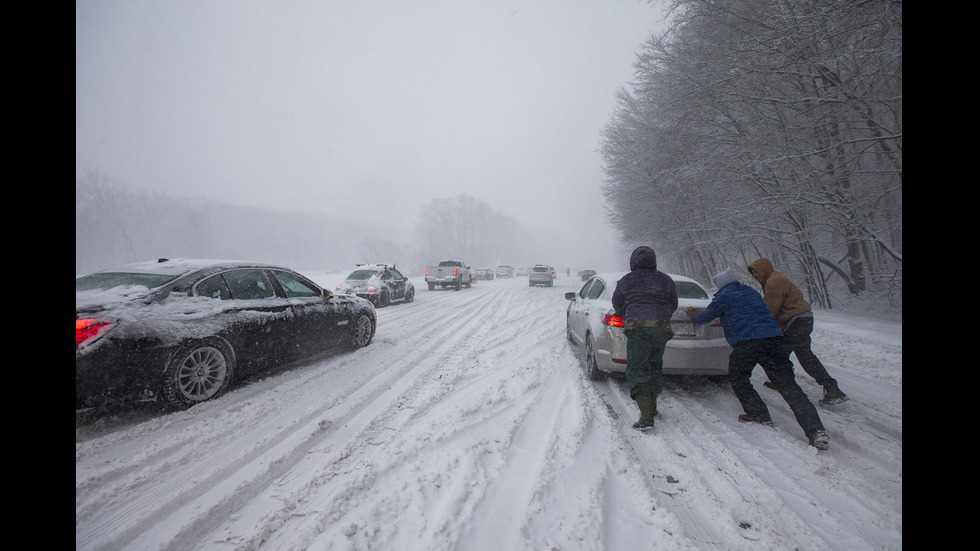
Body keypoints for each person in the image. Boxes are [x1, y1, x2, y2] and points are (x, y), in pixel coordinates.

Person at [686, 267, 829, 450]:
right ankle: (816, 430)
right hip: (774, 341)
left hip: (748, 343)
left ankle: (757, 412)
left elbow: (705, 317)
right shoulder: (751, 292)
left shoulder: (723, 297)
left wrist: (694, 317)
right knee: (788, 386)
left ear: (720, 286)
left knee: (738, 377)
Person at [747, 258, 848, 405]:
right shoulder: (773, 279)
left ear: (764, 269)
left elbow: (770, 309)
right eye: (753, 273)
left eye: (756, 272)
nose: (755, 275)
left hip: (797, 322)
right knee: (780, 353)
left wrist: (757, 326)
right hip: (800, 320)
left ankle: (832, 388)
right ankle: (781, 380)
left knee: (804, 356)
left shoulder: (774, 282)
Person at [611, 246, 678, 431]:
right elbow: (673, 303)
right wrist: (661, 318)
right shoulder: (665, 280)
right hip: (661, 328)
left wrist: (624, 314)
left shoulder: (626, 280)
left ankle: (646, 415)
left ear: (633, 262)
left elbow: (617, 302)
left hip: (638, 328)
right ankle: (653, 406)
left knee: (638, 368)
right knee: (654, 365)